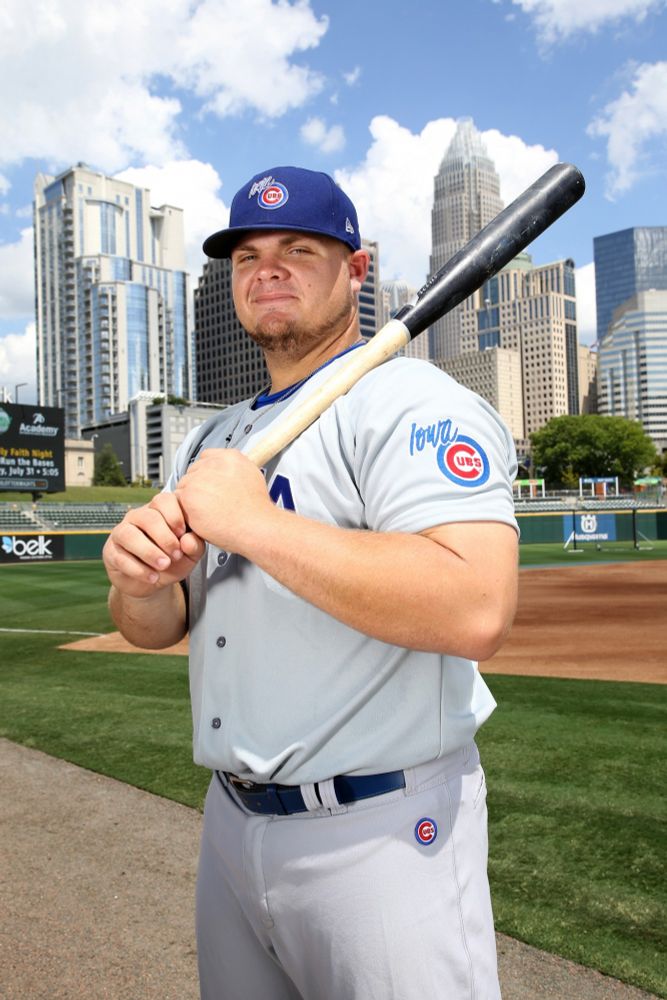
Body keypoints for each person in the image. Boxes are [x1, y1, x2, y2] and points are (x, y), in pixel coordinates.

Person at [103, 165, 519, 999]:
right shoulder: (215, 439)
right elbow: (156, 625)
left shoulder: (409, 403)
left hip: (383, 838)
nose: (270, 268)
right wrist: (139, 579)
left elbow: (475, 605)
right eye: (248, 254)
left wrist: (250, 521)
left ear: (356, 270)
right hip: (229, 825)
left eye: (299, 247)